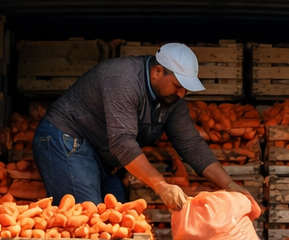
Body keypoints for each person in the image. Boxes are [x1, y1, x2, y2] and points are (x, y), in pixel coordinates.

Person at [33, 43, 259, 211]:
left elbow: (190, 144)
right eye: (178, 86)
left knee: (118, 215)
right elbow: (122, 143)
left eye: (185, 90)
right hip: (65, 140)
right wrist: (161, 185)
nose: (181, 94)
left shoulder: (173, 100)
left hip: (101, 158)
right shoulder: (123, 79)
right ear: (158, 71)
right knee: (90, 216)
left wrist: (229, 185)